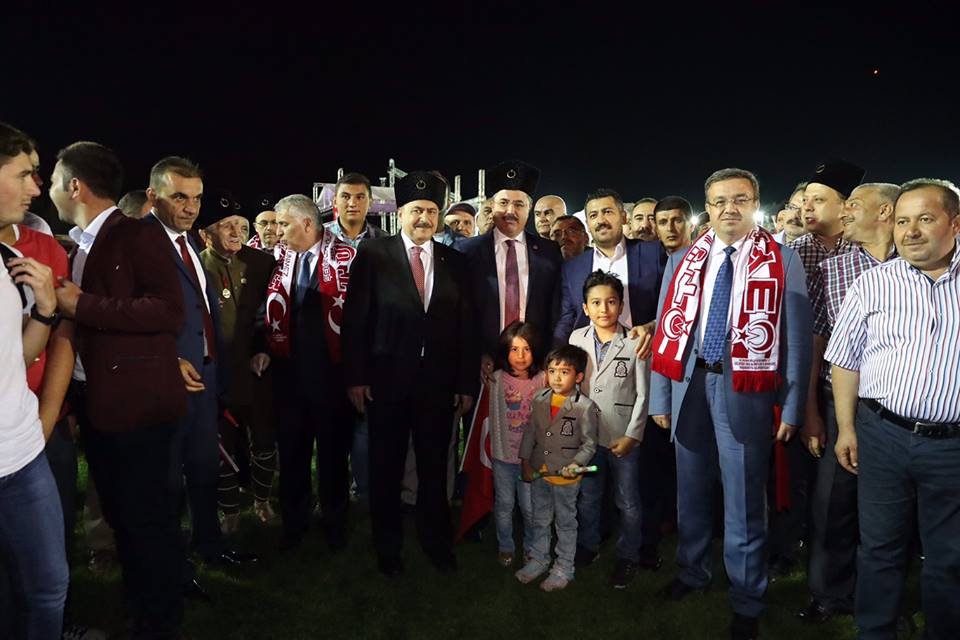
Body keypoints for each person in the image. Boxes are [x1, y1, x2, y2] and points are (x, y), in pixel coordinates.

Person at [649, 167, 811, 640]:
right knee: (691, 492)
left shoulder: (781, 259)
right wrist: (660, 395)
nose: (729, 209)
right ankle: (692, 571)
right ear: (708, 208)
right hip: (690, 387)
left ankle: (747, 597)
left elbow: (797, 341)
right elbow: (665, 330)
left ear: (755, 204)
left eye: (740, 199)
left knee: (744, 500)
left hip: (745, 391)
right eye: (719, 201)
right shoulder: (684, 259)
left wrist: (793, 407)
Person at [52, 140, 188, 638]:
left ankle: (159, 619)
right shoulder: (79, 244)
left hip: (138, 409)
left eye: (52, 180)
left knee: (146, 521)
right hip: (101, 404)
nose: (46, 189)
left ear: (75, 186)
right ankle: (140, 604)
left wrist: (82, 305)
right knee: (123, 517)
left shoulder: (136, 234)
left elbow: (167, 311)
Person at [826, 178, 960, 640]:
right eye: (903, 221)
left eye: (925, 219)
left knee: (949, 556)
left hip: (952, 447)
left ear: (955, 223)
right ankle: (876, 630)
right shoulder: (873, 283)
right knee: (879, 548)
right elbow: (845, 359)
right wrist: (846, 426)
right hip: (882, 436)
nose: (911, 231)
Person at [342, 171, 477, 577]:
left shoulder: (456, 262)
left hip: (438, 385)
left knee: (435, 469)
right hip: (386, 383)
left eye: (432, 211)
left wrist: (465, 383)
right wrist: (356, 377)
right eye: (417, 210)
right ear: (400, 213)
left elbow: (466, 327)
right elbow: (355, 321)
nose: (424, 218)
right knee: (386, 468)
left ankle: (436, 542)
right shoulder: (374, 254)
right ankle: (388, 548)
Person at [791, 182, 901, 624]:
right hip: (840, 402)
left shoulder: (922, 264)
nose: (846, 212)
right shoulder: (833, 268)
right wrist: (811, 412)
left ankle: (885, 600)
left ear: (885, 212)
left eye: (855, 204)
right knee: (832, 504)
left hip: (899, 409)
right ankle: (828, 593)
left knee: (892, 511)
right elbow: (817, 340)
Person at [146, 156, 257, 577]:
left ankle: (209, 545)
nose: (191, 207)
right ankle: (169, 563)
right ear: (154, 196)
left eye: (196, 198)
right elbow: (128, 313)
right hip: (170, 379)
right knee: (167, 477)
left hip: (206, 375)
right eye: (180, 197)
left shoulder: (189, 243)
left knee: (204, 467)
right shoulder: (143, 243)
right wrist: (166, 360)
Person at [551, 188, 663, 567]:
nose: (601, 220)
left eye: (608, 212)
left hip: (643, 366)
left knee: (641, 479)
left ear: (623, 216)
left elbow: (672, 303)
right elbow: (568, 315)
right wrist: (557, 359)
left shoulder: (652, 253)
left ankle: (643, 546)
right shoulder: (574, 266)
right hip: (594, 376)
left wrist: (651, 327)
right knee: (593, 484)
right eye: (594, 214)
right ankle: (594, 539)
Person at [0, 121, 68, 640]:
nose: (36, 187)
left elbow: (16, 361)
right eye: (24, 174)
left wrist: (45, 311)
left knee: (49, 589)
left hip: (22, 455)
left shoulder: (11, 260)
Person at [271, 194, 356, 552]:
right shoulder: (277, 259)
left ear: (307, 223)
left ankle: (334, 524)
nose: (277, 231)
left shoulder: (349, 259)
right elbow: (264, 311)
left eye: (283, 223)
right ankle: (294, 523)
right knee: (292, 457)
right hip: (289, 380)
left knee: (333, 458)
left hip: (333, 381)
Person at [197, 206, 278, 532]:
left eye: (240, 225)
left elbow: (274, 313)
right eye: (226, 226)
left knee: (264, 438)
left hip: (256, 370)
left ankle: (262, 500)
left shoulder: (262, 263)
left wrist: (264, 349)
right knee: (221, 442)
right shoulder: (195, 266)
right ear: (205, 234)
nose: (236, 232)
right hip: (215, 374)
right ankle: (229, 511)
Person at [568, 270, 649, 589]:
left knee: (627, 502)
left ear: (621, 305)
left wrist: (633, 435)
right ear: (585, 308)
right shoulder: (576, 339)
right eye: (596, 303)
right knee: (588, 497)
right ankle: (589, 545)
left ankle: (629, 555)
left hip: (622, 438)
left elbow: (643, 393)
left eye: (611, 302)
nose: (604, 309)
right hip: (588, 440)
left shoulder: (635, 340)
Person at [458, 160, 563, 385]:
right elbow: (462, 313)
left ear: (529, 209)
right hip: (483, 365)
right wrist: (477, 354)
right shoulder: (467, 251)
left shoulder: (549, 252)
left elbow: (555, 310)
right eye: (503, 203)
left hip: (535, 365)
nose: (510, 211)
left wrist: (549, 355)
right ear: (492, 206)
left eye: (519, 204)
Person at [516, 345, 599, 591]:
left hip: (565, 478)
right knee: (540, 518)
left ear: (579, 377)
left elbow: (589, 444)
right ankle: (539, 558)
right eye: (552, 371)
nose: (557, 378)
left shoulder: (584, 406)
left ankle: (564, 567)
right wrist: (525, 461)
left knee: (565, 522)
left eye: (564, 372)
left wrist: (576, 464)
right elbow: (530, 431)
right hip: (540, 471)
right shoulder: (540, 398)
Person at [488, 321, 545, 567]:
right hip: (503, 456)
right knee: (504, 505)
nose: (520, 356)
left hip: (529, 459)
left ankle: (531, 546)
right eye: (514, 349)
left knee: (530, 507)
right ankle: (506, 546)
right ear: (505, 351)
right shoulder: (496, 380)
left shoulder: (542, 380)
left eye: (526, 349)